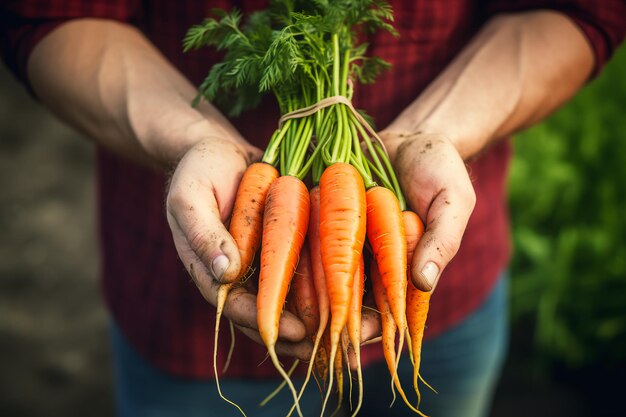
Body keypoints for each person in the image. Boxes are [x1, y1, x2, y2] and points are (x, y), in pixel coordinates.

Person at [1, 1, 624, 416]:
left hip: (442, 287)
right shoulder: (276, 187)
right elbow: (48, 14)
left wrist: (437, 133)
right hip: (180, 304)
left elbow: (582, 9)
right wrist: (195, 140)